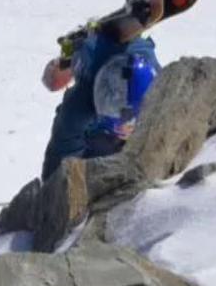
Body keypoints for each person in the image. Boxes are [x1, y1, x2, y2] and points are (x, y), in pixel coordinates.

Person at [39, 19, 160, 182]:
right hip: (95, 130)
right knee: (54, 82)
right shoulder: (80, 106)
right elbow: (58, 169)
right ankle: (66, 59)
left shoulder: (157, 83)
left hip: (103, 55)